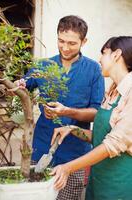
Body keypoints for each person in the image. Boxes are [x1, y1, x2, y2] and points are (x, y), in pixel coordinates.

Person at [16, 15, 104, 199]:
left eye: (72, 43)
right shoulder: (44, 65)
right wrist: (20, 84)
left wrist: (67, 111)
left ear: (84, 41)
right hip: (41, 144)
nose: (65, 47)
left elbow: (96, 113)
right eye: (61, 41)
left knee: (69, 195)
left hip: (74, 152)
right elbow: (26, 83)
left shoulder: (94, 69)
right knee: (37, 194)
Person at [50, 36, 132, 200]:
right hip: (98, 180)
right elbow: (101, 136)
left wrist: (67, 168)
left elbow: (113, 143)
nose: (99, 59)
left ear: (116, 55)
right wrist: (73, 130)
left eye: (103, 53)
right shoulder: (112, 91)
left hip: (119, 184)